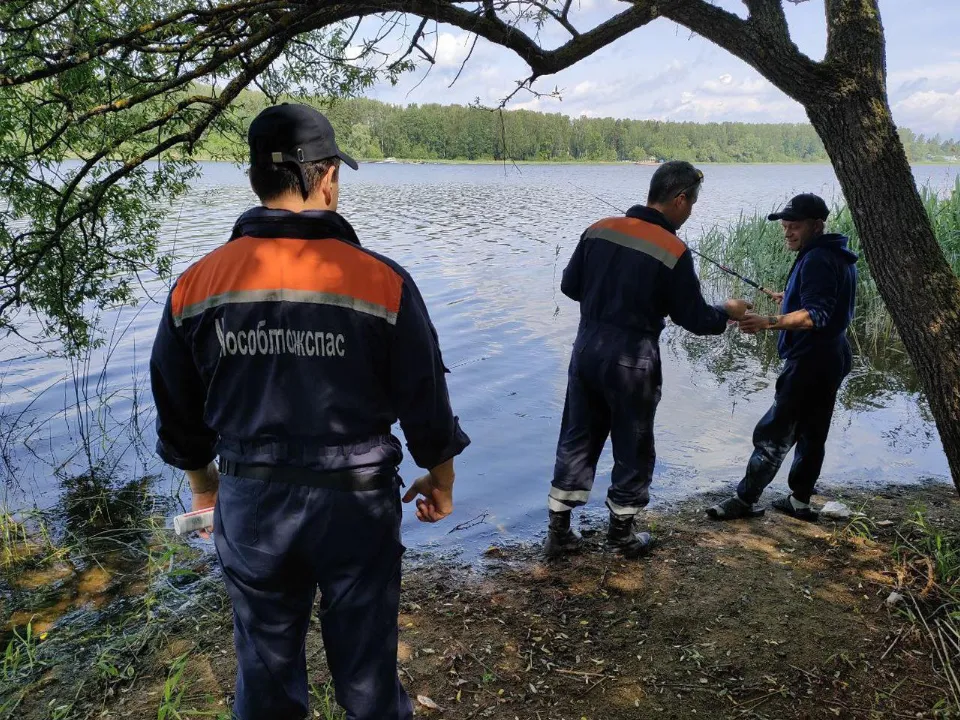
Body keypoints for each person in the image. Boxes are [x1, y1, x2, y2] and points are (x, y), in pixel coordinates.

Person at [150, 103, 470, 720]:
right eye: (336, 176)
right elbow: (426, 400)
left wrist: (204, 488)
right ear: (324, 178)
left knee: (265, 686)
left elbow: (177, 407)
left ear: (254, 181)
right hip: (356, 504)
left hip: (253, 506)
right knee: (368, 679)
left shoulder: (196, 285)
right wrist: (443, 478)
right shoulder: (383, 281)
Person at [545, 161, 753, 559]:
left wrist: (607, 301)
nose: (690, 211)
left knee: (577, 436)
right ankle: (621, 533)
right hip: (632, 359)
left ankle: (559, 531)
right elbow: (694, 319)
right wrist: (729, 311)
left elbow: (570, 286)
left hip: (586, 349)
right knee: (633, 442)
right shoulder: (672, 249)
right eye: (691, 203)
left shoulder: (599, 229)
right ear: (679, 199)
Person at [707, 193, 857, 523]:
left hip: (810, 362)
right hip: (833, 357)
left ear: (816, 226)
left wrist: (767, 322)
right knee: (813, 432)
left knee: (774, 434)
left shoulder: (817, 259)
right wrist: (787, 298)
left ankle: (745, 500)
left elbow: (816, 315)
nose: (788, 232)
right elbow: (825, 303)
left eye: (795, 226)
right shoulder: (835, 254)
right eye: (785, 226)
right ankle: (800, 501)